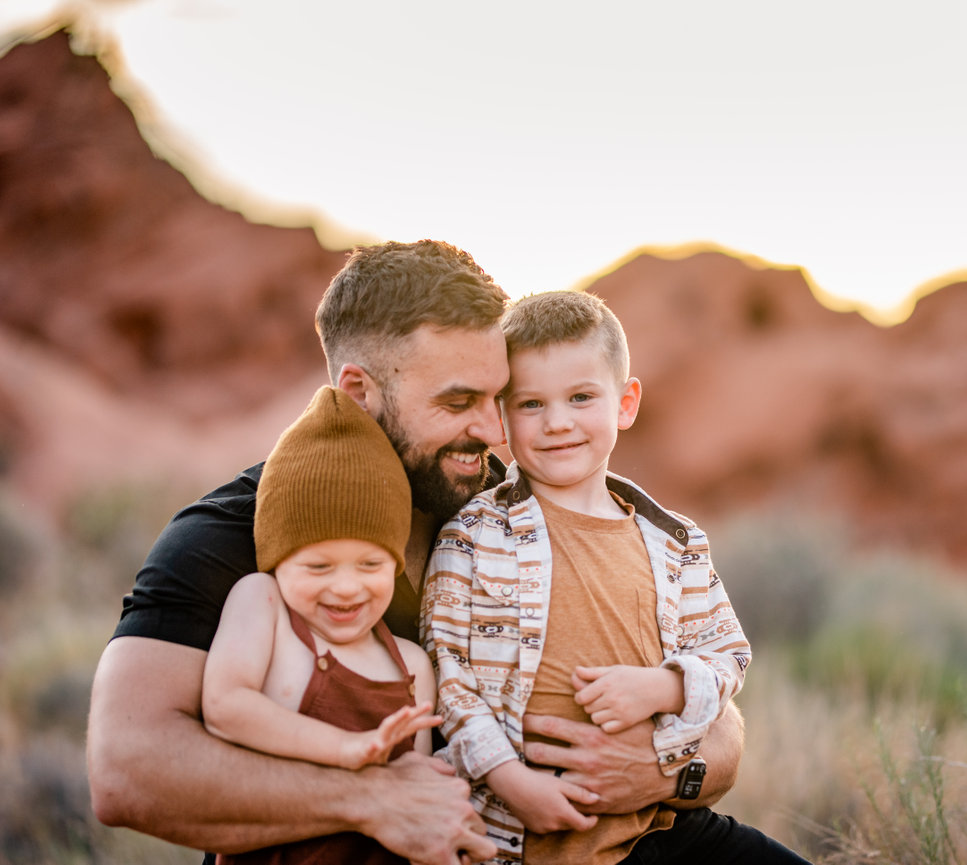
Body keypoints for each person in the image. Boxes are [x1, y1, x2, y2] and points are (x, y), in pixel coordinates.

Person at [85, 240, 748, 865]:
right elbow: (125, 769)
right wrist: (371, 799)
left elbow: (721, 724)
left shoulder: (510, 509)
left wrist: (663, 771)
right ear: (359, 393)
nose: (493, 432)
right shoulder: (235, 532)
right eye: (459, 401)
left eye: (497, 398)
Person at [422, 290, 813, 864]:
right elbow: (449, 671)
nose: (557, 422)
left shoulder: (677, 543)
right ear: (502, 417)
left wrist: (668, 688)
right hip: (516, 836)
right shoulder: (473, 536)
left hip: (661, 830)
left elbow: (727, 652)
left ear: (625, 403)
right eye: (531, 404)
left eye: (581, 397)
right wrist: (509, 778)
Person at [203, 385, 441, 864]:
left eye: (370, 564)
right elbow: (225, 706)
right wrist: (348, 749)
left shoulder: (412, 664)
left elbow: (418, 795)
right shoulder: (264, 604)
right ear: (278, 560)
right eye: (318, 566)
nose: (347, 587)